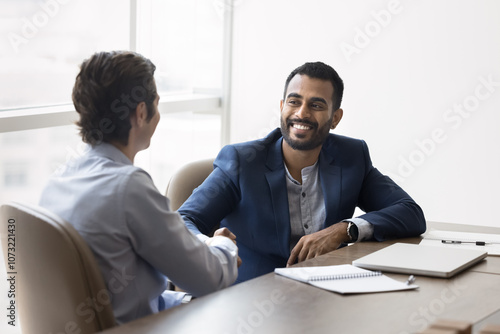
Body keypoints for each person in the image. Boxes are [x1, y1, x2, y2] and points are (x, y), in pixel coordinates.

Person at [39, 51, 240, 324]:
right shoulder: (128, 188)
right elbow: (210, 280)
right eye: (157, 103)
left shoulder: (57, 182)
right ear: (142, 112)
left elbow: (127, 295)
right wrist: (223, 245)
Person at [180, 61, 426, 283]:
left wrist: (344, 229)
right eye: (294, 101)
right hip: (252, 299)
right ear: (282, 106)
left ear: (335, 118)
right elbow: (183, 220)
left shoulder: (351, 156)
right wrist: (210, 243)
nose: (302, 113)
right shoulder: (242, 162)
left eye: (316, 105)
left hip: (326, 294)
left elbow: (410, 212)